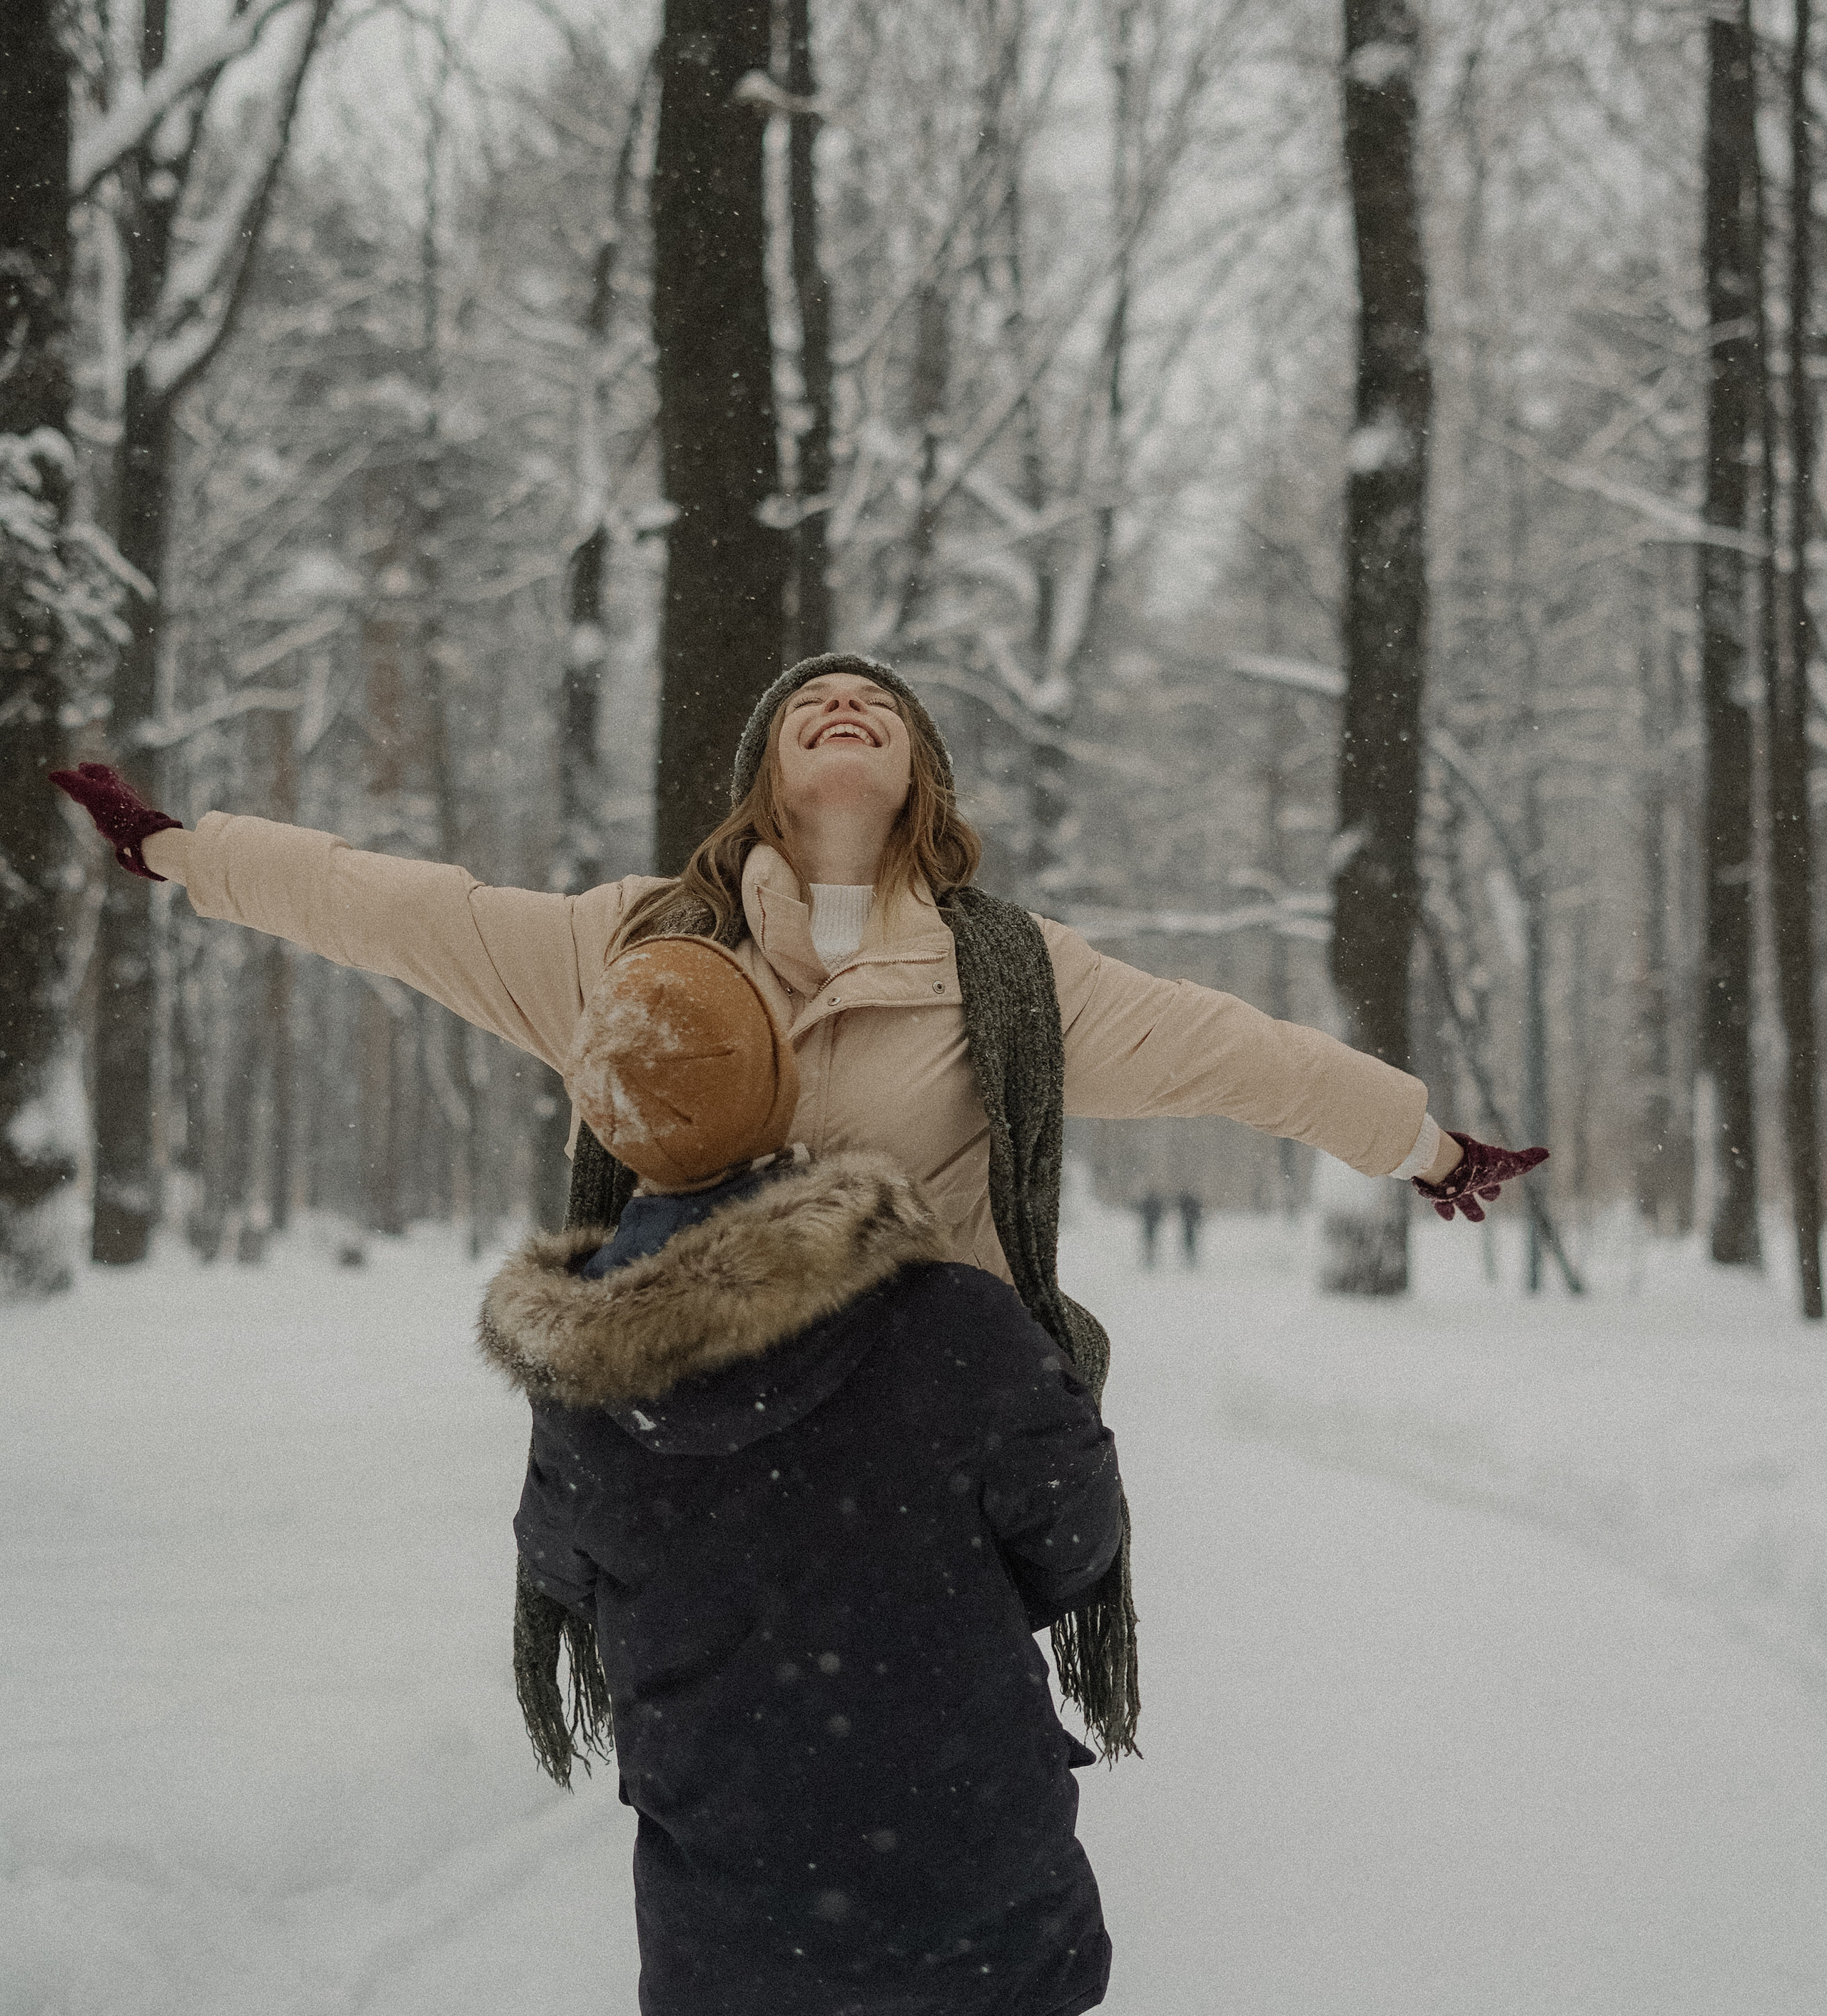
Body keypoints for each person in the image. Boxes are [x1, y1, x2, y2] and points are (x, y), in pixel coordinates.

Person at [51, 654, 1544, 1759]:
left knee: (967, 1878)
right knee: (731, 1888)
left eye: (878, 707)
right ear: (764, 770)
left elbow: (1235, 1052)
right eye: (809, 704)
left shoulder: (1007, 977)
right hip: (704, 1487)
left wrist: (1415, 1142)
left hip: (926, 1492)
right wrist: (187, 851)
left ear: (922, 778)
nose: (844, 707)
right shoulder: (632, 943)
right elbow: (404, 910)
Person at [482, 928, 1123, 2016]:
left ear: (611, 1128)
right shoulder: (954, 1319)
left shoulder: (586, 1381)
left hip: (737, 1908)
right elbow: (1074, 1541)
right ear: (783, 1094)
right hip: (969, 1888)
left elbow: (571, 1579)